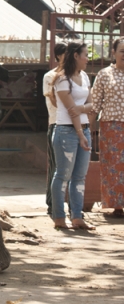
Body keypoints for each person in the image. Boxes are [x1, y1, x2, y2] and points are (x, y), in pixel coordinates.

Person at [51, 41, 95, 230]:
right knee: (63, 175)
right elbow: (71, 111)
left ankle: (77, 216)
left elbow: (91, 105)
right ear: (76, 56)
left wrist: (81, 110)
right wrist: (80, 133)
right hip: (66, 131)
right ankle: (59, 217)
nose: (87, 58)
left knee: (79, 176)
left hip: (83, 129)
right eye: (85, 54)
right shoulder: (62, 79)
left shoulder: (84, 76)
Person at [91, 37, 124, 218]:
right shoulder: (104, 75)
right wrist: (89, 129)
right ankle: (117, 206)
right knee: (114, 166)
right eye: (122, 51)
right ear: (114, 53)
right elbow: (95, 104)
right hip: (111, 128)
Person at [43, 42, 67, 217]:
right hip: (56, 123)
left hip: (72, 125)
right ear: (58, 56)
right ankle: (52, 203)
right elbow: (52, 101)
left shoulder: (76, 76)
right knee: (56, 166)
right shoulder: (49, 76)